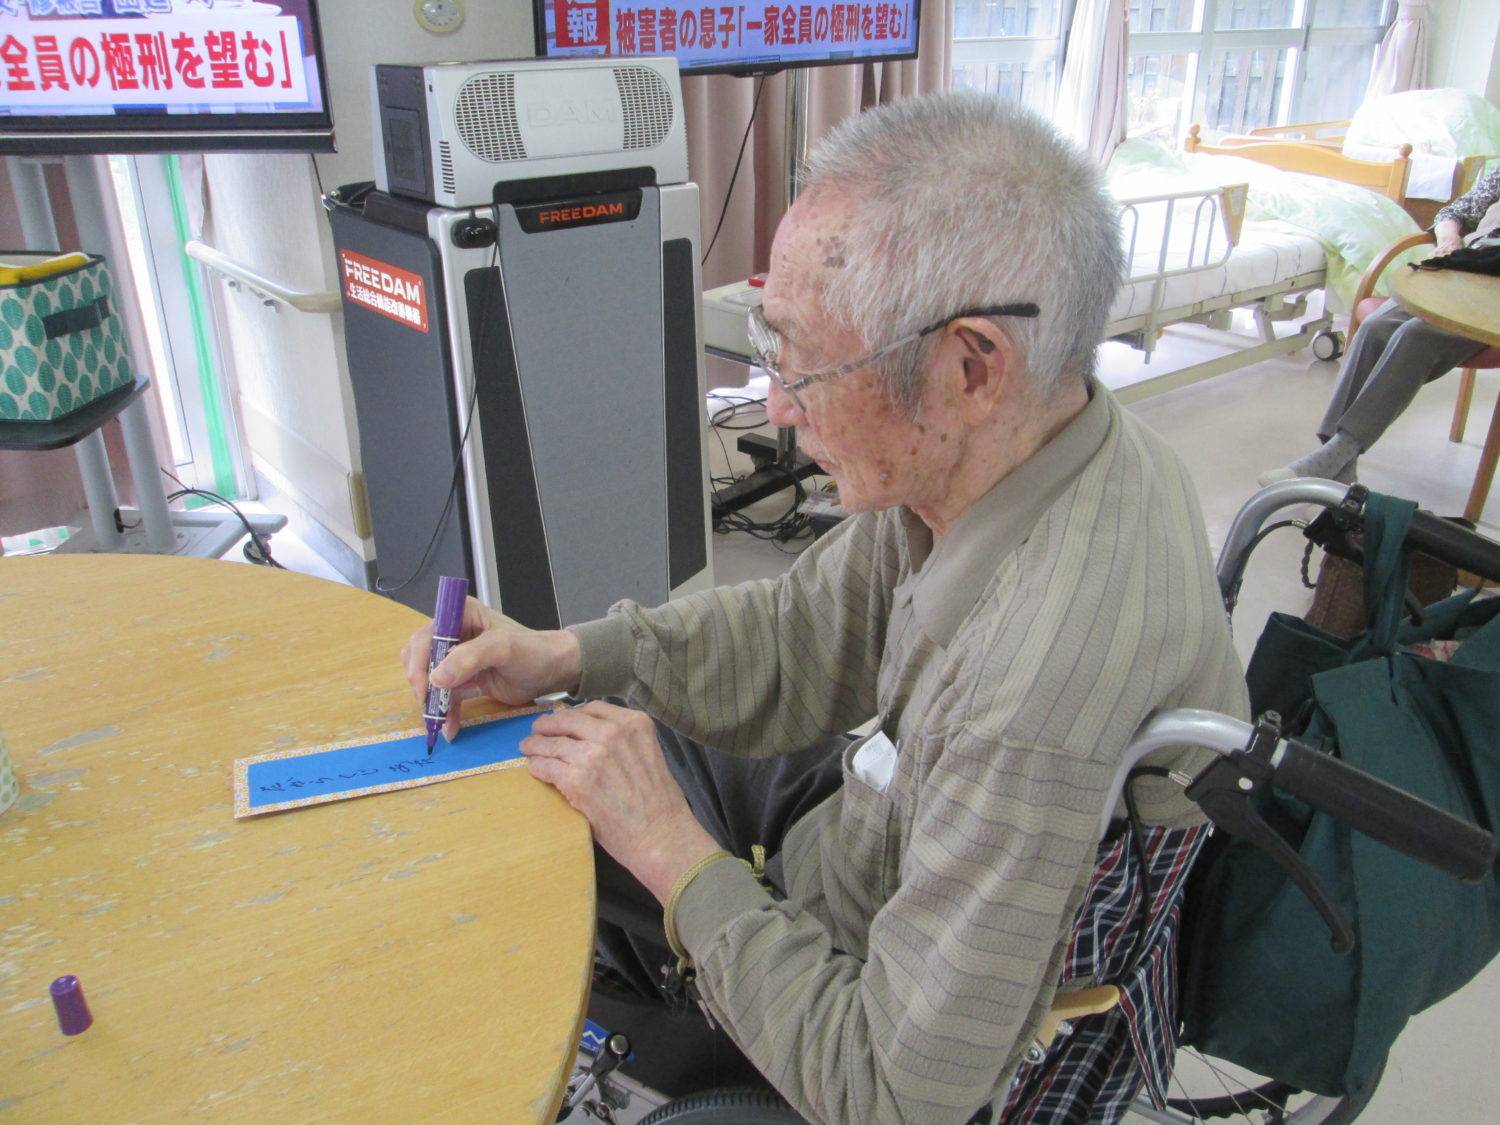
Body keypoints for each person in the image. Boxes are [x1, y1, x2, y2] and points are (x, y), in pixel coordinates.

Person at [402, 92, 1247, 1124]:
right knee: (590, 726)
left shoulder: (1039, 684)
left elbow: (893, 1093)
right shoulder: (1018, 445)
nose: (776, 403)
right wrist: (568, 654)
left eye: (806, 361)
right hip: (866, 838)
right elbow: (800, 634)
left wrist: (675, 857)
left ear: (970, 365)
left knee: (585, 831)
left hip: (875, 1004)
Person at [1260, 164, 1500, 486]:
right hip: (1465, 269)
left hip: (1492, 302)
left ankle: (1333, 458)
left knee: (1417, 336)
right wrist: (1450, 239)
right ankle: (1338, 464)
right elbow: (1455, 212)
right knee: (1376, 327)